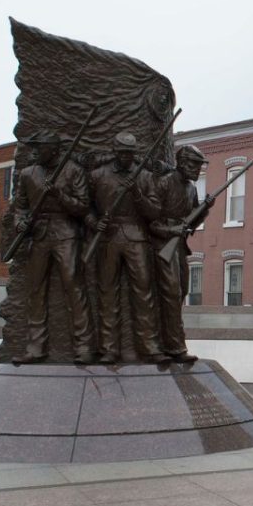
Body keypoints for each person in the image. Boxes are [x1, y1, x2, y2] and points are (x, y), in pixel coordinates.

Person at [10, 131, 97, 365]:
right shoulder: (28, 174)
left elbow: (82, 207)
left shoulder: (73, 170)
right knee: (36, 291)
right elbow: (20, 207)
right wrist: (21, 223)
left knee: (74, 288)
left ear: (55, 150)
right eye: (35, 148)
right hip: (38, 235)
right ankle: (35, 347)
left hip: (66, 234)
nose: (36, 152)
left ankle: (84, 347)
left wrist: (59, 194)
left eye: (41, 148)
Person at [86, 132, 166, 364]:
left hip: (136, 237)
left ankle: (149, 346)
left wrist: (137, 195)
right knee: (107, 293)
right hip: (108, 239)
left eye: (130, 154)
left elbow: (154, 212)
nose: (126, 157)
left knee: (144, 293)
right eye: (122, 153)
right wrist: (94, 222)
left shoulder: (145, 177)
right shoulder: (98, 175)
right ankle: (108, 349)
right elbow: (85, 207)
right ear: (114, 151)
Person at [145, 145, 210, 362]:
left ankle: (172, 342)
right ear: (181, 163)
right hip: (163, 245)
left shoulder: (191, 189)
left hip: (179, 246)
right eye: (194, 165)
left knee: (181, 292)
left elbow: (192, 220)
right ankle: (174, 347)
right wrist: (172, 230)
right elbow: (151, 222)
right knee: (171, 293)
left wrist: (205, 209)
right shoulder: (163, 183)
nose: (197, 170)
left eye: (200, 166)